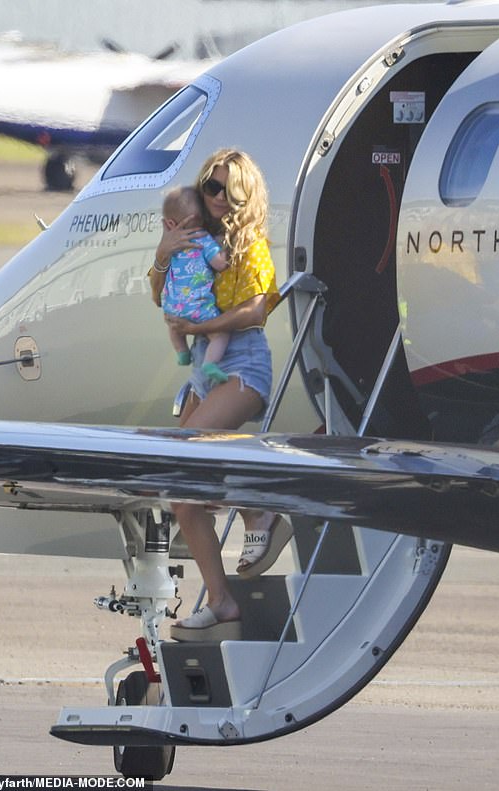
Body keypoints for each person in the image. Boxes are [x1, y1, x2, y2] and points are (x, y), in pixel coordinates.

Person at [150, 149, 293, 641]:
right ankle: (221, 601)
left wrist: (200, 325)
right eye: (211, 185)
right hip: (205, 368)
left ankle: (258, 511)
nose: (216, 196)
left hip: (244, 364)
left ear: (245, 195)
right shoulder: (195, 237)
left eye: (228, 189)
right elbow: (161, 295)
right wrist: (162, 254)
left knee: (188, 455)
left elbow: (255, 313)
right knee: (182, 497)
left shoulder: (251, 245)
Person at [160, 186, 230, 384]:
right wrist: (224, 247)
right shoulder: (204, 240)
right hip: (199, 308)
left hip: (173, 307)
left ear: (170, 223)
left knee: (173, 328)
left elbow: (160, 269)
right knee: (220, 335)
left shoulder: (171, 245)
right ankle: (210, 362)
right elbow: (220, 264)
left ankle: (182, 351)